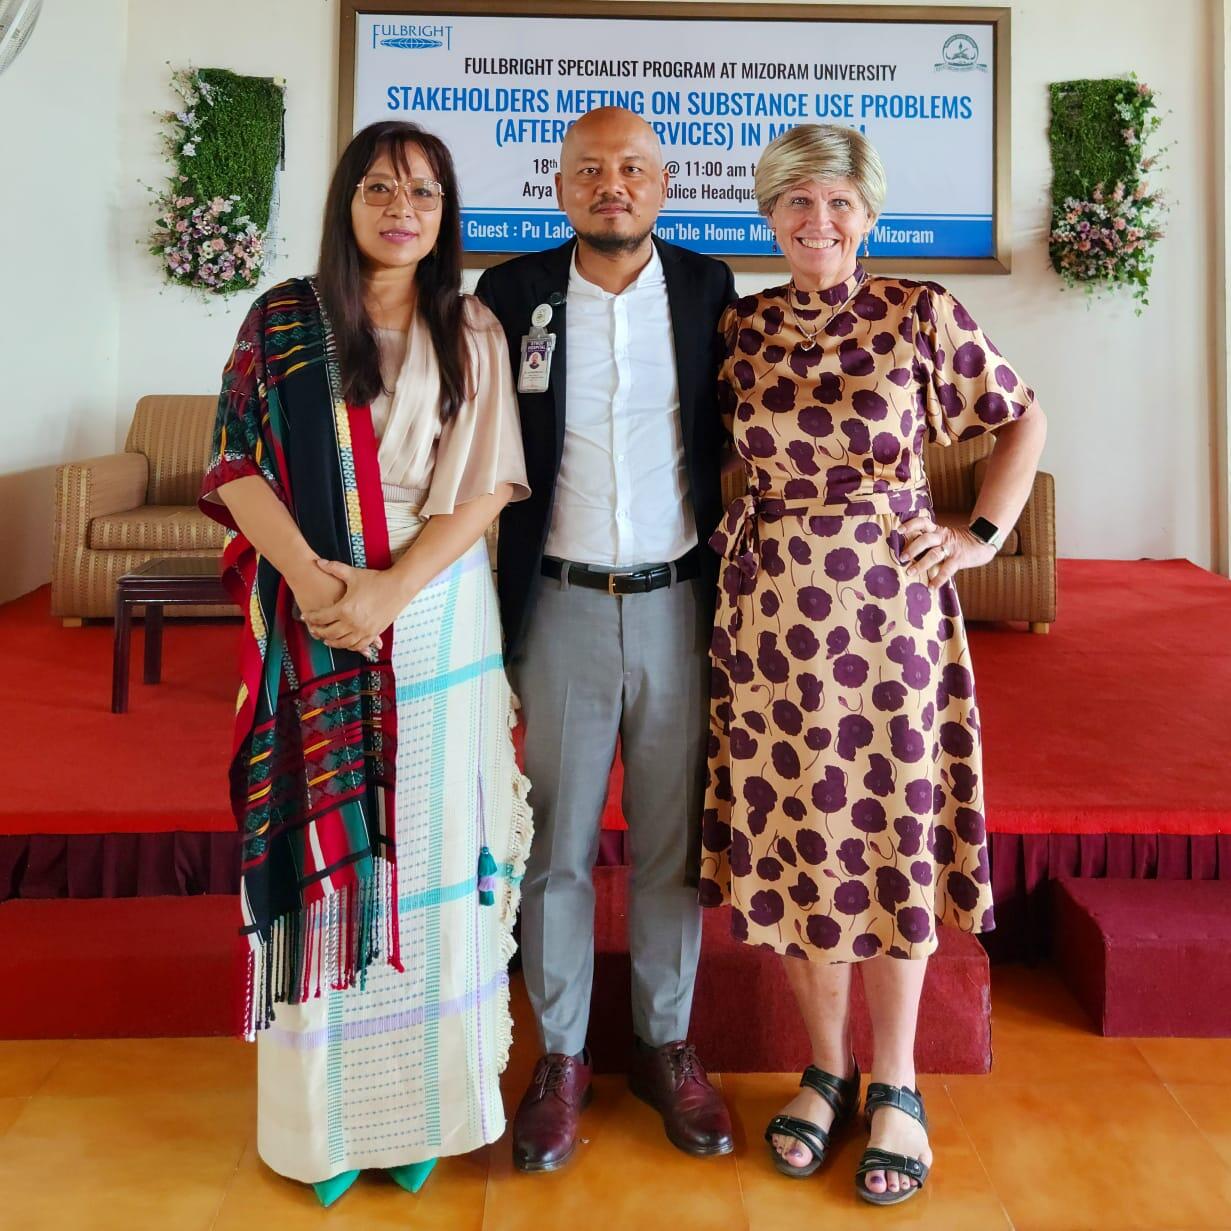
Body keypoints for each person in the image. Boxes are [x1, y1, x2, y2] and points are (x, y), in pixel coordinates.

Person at [699, 124, 1047, 1206]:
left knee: (889, 832)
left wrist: (979, 536)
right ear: (767, 216)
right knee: (804, 832)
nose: (818, 222)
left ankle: (895, 1079)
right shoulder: (739, 329)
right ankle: (825, 1066)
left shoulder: (918, 312)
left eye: (838, 202)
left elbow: (1019, 416)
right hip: (767, 623)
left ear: (869, 214)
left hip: (890, 619)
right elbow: (717, 460)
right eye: (796, 202)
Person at [199, 120, 532, 1207]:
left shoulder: (470, 325)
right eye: (383, 189)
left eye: (426, 195)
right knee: (328, 860)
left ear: (445, 216)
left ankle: (422, 1115)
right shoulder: (284, 319)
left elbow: (480, 488)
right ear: (348, 202)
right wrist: (303, 575)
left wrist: (389, 591)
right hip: (313, 608)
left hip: (434, 616)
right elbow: (234, 459)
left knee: (430, 865)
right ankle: (321, 1127)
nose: (404, 209)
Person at [475, 107, 736, 1171]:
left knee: (675, 844)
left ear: (662, 184)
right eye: (590, 169)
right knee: (559, 850)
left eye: (631, 168)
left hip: (681, 603)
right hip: (562, 603)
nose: (611, 185)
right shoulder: (512, 294)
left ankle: (670, 1045)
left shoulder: (710, 289)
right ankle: (563, 1055)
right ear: (561, 185)